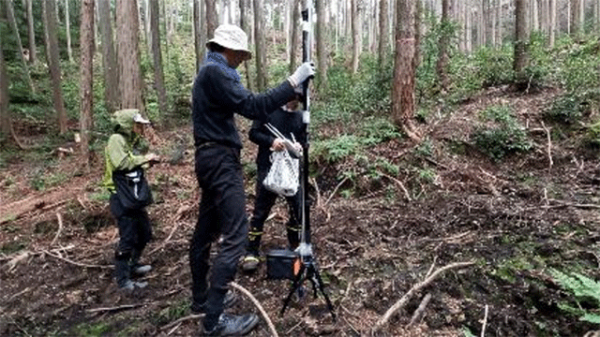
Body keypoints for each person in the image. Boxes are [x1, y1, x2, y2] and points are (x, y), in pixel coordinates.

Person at [190, 24, 314, 336]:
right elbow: (253, 107)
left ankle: (202, 299)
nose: (242, 61)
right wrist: (293, 80)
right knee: (236, 233)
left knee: (207, 229)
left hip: (210, 158)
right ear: (228, 49)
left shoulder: (211, 72)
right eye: (241, 55)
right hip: (219, 160)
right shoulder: (216, 72)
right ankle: (214, 321)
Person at [241, 97, 305, 272]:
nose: (297, 101)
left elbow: (304, 139)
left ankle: (294, 245)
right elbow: (253, 134)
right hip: (267, 167)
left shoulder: (300, 116)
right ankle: (251, 251)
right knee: (261, 210)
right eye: (296, 97)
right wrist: (271, 142)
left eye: (300, 99)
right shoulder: (267, 110)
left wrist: (299, 145)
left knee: (297, 208)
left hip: (291, 170)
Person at [103, 109, 160, 291]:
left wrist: (146, 163)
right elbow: (121, 163)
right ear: (128, 124)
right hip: (121, 197)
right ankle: (122, 280)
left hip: (132, 195)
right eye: (138, 124)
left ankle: (133, 265)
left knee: (144, 233)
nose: (141, 128)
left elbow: (132, 168)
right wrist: (144, 158)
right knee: (127, 238)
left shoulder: (129, 141)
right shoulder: (116, 140)